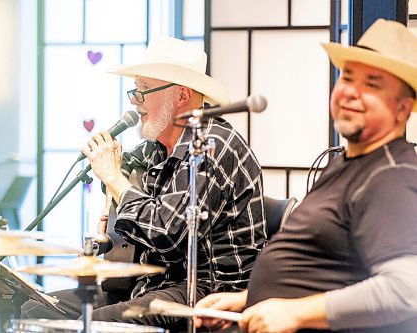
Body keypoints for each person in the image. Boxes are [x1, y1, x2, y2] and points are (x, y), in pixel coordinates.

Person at [22, 37, 266, 332]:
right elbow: (122, 180)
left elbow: (167, 234)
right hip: (152, 282)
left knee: (93, 324)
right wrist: (108, 201)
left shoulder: (211, 144)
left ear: (181, 95)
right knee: (35, 308)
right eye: (134, 90)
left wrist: (113, 179)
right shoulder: (157, 147)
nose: (134, 101)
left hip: (204, 290)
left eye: (142, 90)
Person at [194, 18, 417, 333]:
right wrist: (246, 300)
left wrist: (297, 313)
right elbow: (327, 271)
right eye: (348, 78)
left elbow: (407, 290)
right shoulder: (345, 164)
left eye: (372, 84)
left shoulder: (392, 176)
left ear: (402, 109)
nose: (351, 92)